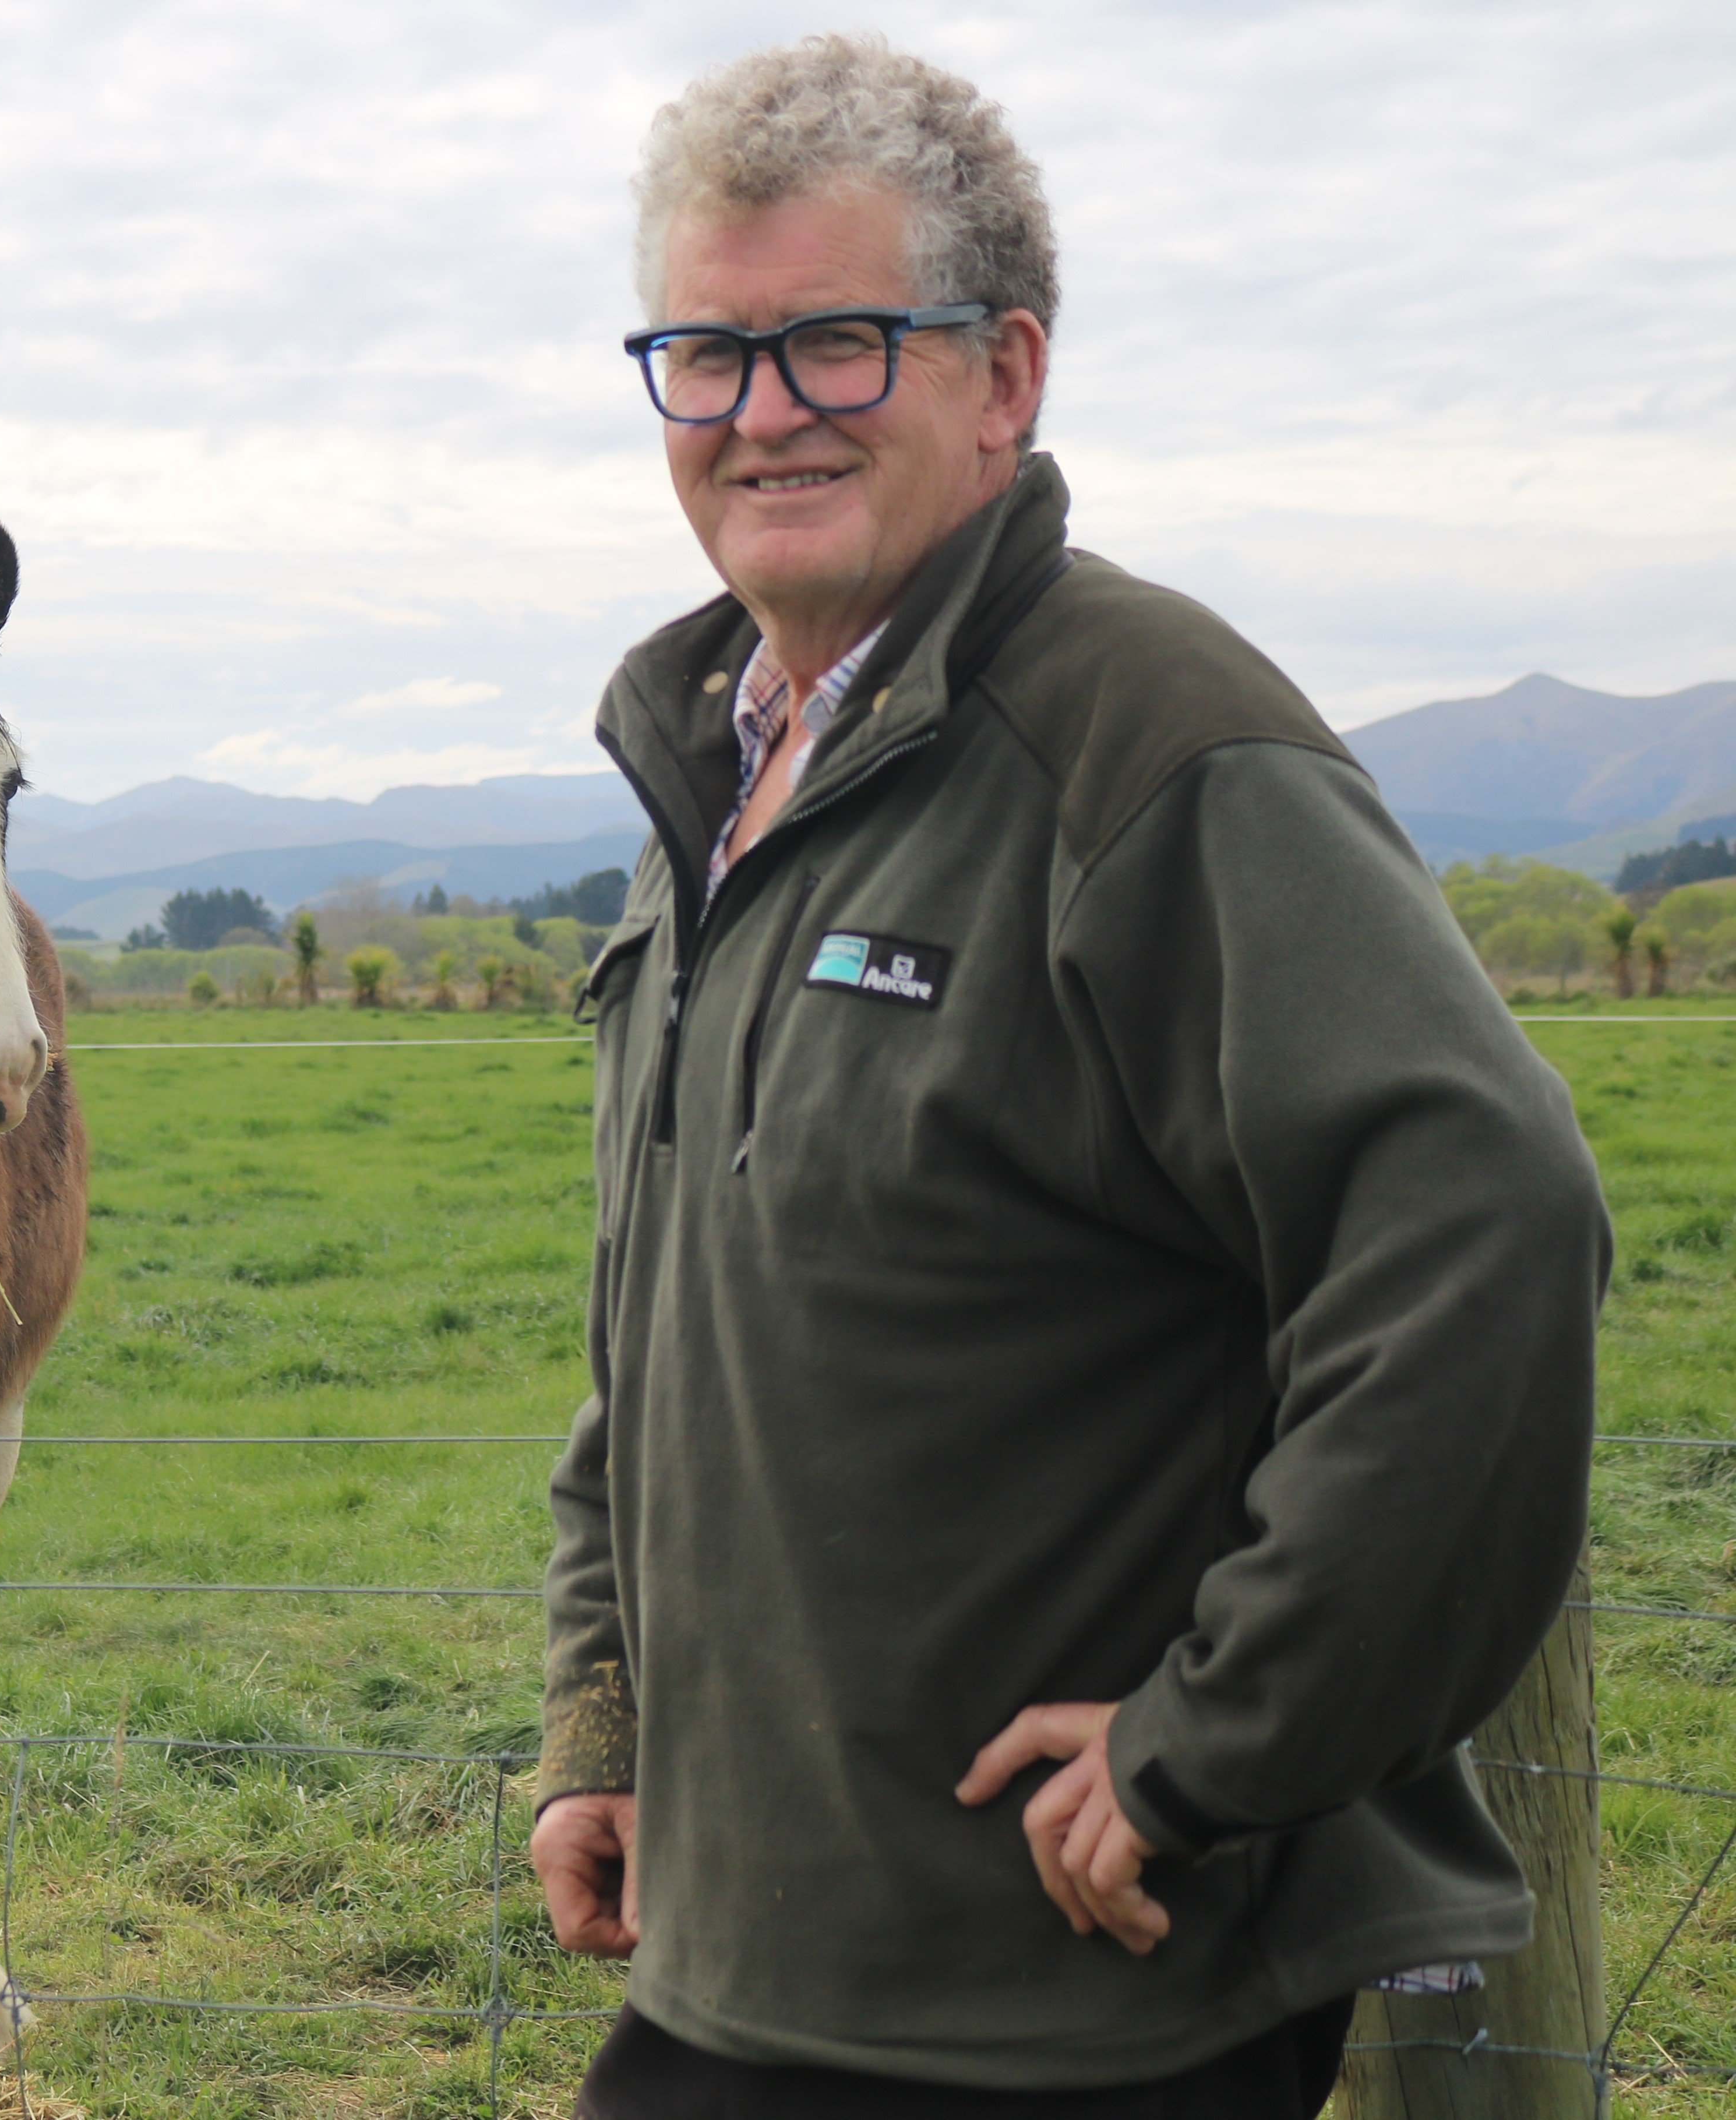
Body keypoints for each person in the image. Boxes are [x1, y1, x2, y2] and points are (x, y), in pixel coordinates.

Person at [532, 34, 1610, 2116]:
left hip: (1063, 2003)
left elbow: (1484, 1225)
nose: (761, 414)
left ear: (1004, 377)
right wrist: (612, 1721)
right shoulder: (722, 774)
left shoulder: (1150, 746)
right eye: (704, 354)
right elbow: (657, 1335)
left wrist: (1220, 1736)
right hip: (753, 1960)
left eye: (838, 345)